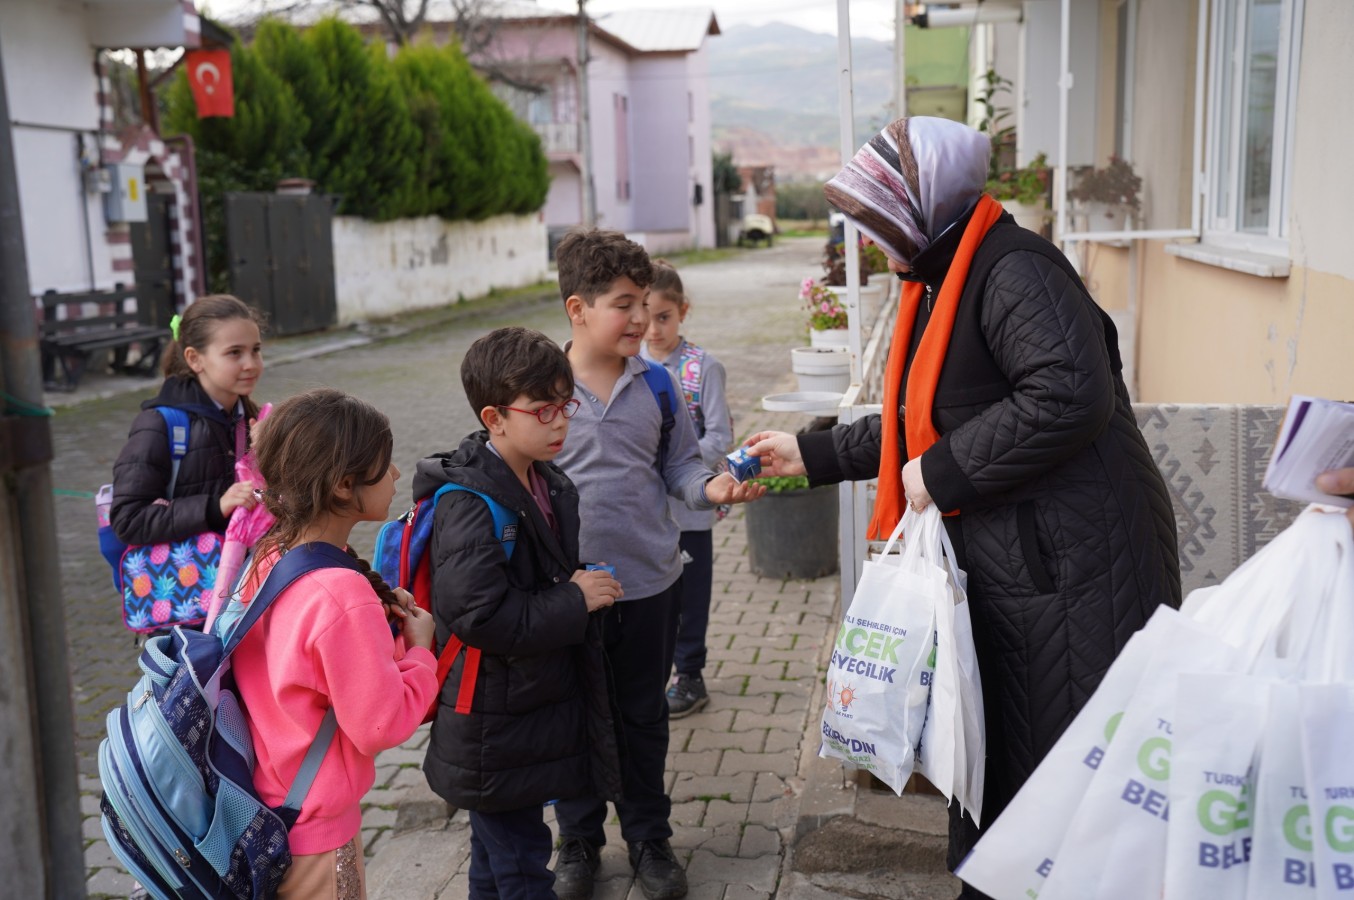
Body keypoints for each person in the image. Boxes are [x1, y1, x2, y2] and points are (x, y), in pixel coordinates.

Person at [746, 116, 1181, 898]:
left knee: (1060, 784)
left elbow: (1067, 395)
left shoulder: (1014, 271)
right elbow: (930, 420)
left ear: (922, 207)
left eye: (879, 219)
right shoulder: (946, 276)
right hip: (1027, 569)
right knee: (1006, 772)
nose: (872, 240)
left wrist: (941, 474)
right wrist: (811, 455)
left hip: (1074, 573)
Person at [550, 228, 764, 900]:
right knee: (574, 716)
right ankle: (578, 840)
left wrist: (712, 489)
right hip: (568, 596)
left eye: (644, 303)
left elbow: (680, 469)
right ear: (578, 309)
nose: (641, 318)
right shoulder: (542, 388)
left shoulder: (661, 386)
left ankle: (649, 838)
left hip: (649, 584)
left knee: (642, 715)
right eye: (624, 304)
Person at [417, 327, 624, 899]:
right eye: (542, 410)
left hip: (520, 712)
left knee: (497, 863)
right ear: (495, 418)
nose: (560, 423)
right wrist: (575, 598)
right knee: (523, 869)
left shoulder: (541, 477)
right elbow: (480, 616)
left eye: (565, 406)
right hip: (493, 721)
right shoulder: (469, 501)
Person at [230, 388, 438, 899]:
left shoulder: (269, 555)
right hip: (315, 834)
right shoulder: (342, 593)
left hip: (264, 805)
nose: (396, 474)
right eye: (385, 466)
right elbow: (380, 724)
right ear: (345, 486)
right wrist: (420, 653)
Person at [641, 260, 734, 718]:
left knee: (691, 596)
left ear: (683, 310)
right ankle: (651, 674)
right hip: (646, 512)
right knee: (655, 596)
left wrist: (675, 459)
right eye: (645, 317)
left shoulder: (703, 368)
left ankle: (690, 674)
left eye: (664, 317)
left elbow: (720, 435)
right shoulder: (630, 366)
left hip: (691, 509)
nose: (653, 329)